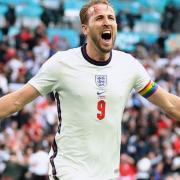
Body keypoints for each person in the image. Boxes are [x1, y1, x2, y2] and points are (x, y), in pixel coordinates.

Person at [0, 0, 180, 179]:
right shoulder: (62, 63)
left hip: (107, 173)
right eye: (99, 18)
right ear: (85, 28)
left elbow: (170, 104)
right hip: (68, 170)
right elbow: (17, 100)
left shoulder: (129, 66)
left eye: (111, 18)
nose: (107, 22)